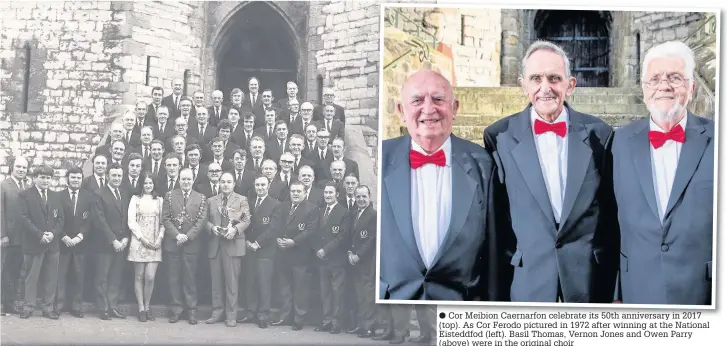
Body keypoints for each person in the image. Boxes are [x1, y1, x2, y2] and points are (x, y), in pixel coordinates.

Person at [484, 41, 617, 303]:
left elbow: (612, 214)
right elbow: (496, 222)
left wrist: (615, 289)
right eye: (536, 78)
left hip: (588, 279)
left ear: (570, 84)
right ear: (523, 84)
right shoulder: (499, 137)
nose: (545, 87)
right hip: (527, 279)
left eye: (554, 78)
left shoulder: (600, 135)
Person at [379, 69, 498, 301]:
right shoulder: (379, 158)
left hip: (460, 308)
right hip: (390, 311)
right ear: (401, 111)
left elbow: (494, 249)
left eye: (438, 99)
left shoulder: (484, 164)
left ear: (455, 108)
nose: (428, 108)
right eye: (417, 100)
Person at [612, 41, 714, 305]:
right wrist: (614, 294)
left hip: (703, 291)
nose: (664, 85)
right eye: (654, 78)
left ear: (691, 88)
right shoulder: (619, 142)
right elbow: (608, 220)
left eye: (675, 78)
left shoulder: (719, 139)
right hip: (636, 289)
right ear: (644, 90)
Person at [269, 180, 319, 331]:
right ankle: (285, 317)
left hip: (300, 255)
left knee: (300, 289)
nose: (295, 194)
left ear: (305, 193)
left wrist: (293, 242)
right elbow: (275, 225)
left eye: (299, 191)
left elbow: (310, 230)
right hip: (282, 254)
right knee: (285, 288)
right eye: (293, 191)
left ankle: (299, 319)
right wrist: (277, 238)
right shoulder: (282, 206)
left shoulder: (312, 208)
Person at [17, 165, 65, 319]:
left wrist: (53, 233)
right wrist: (39, 235)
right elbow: (23, 218)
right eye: (42, 177)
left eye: (48, 178)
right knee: (31, 276)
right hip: (34, 243)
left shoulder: (55, 196)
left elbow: (61, 219)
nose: (46, 180)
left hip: (52, 244)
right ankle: (28, 306)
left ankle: (48, 307)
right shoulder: (24, 195)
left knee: (51, 277)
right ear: (35, 177)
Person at [162, 168, 208, 324]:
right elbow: (166, 219)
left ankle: (191, 311)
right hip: (173, 243)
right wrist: (177, 235)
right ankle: (176, 309)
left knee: (190, 278)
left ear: (193, 179)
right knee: (173, 278)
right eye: (183, 179)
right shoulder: (169, 196)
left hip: (192, 245)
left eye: (189, 179)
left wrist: (187, 237)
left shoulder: (201, 198)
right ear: (179, 179)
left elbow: (201, 221)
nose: (186, 182)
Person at [205, 172, 251, 327]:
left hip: (232, 245)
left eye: (229, 182)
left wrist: (235, 230)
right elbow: (203, 221)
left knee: (232, 282)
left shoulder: (241, 199)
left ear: (234, 184)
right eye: (223, 181)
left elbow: (246, 219)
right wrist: (212, 228)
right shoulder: (211, 201)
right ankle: (217, 312)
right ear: (219, 183)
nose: (225, 184)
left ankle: (231, 316)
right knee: (215, 282)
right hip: (215, 245)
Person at [239, 175, 280, 328]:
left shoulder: (275, 204)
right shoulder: (249, 203)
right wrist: (247, 242)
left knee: (264, 283)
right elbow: (245, 224)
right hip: (249, 249)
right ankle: (251, 312)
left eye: (263, 185)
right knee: (250, 281)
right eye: (257, 185)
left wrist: (257, 243)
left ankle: (263, 314)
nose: (260, 187)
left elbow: (273, 228)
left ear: (268, 186)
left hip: (265, 251)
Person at [92, 162, 130, 320]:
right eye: (114, 175)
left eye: (119, 175)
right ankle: (103, 308)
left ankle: (113, 306)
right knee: (102, 276)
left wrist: (126, 237)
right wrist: (113, 240)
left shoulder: (124, 193)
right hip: (105, 244)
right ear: (108, 176)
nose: (116, 178)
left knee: (116, 276)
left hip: (122, 244)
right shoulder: (98, 193)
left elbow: (128, 217)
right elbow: (99, 220)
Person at [127, 172, 165, 322]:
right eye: (145, 183)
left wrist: (159, 238)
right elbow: (131, 221)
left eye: (150, 183)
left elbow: (163, 222)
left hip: (155, 241)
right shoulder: (135, 199)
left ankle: (148, 306)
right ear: (141, 184)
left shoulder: (159, 200)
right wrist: (141, 238)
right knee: (139, 276)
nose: (148, 186)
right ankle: (141, 308)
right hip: (139, 240)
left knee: (150, 277)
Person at [312, 182, 350, 334]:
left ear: (337, 195)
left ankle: (336, 323)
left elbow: (342, 236)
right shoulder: (320, 211)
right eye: (326, 193)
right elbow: (314, 233)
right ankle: (326, 321)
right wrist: (317, 250)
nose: (327, 195)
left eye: (330, 193)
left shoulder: (344, 212)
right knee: (325, 292)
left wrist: (325, 250)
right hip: (322, 260)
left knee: (337, 292)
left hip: (336, 260)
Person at [56, 167, 94, 318]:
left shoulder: (88, 197)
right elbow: (56, 219)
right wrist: (64, 236)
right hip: (63, 242)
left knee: (79, 275)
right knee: (61, 275)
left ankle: (76, 306)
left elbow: (91, 220)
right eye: (73, 177)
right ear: (67, 179)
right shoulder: (58, 196)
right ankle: (58, 305)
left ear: (81, 179)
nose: (76, 180)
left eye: (78, 178)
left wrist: (80, 236)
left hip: (80, 243)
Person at [1, 155, 29, 315]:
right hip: (8, 238)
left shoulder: (27, 185)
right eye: (18, 167)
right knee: (4, 270)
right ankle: (2, 304)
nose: (21, 170)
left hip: (23, 238)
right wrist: (2, 235)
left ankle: (10, 303)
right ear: (12, 167)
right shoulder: (4, 185)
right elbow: (1, 212)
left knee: (16, 271)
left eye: (24, 168)